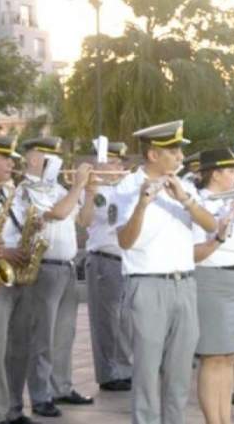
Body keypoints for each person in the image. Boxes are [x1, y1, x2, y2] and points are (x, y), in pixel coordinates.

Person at [115, 120, 216, 424]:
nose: (181, 158)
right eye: (174, 152)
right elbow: (125, 241)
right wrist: (142, 205)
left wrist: (183, 199)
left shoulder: (181, 186)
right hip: (148, 286)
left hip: (183, 284)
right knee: (146, 372)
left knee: (180, 371)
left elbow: (212, 226)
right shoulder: (126, 188)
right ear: (153, 155)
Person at [14, 137, 94, 418]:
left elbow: (83, 221)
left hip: (67, 265)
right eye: (50, 157)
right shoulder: (25, 190)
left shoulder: (59, 187)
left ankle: (61, 386)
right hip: (43, 268)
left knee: (64, 334)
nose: (56, 162)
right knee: (42, 336)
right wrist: (78, 186)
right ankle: (40, 394)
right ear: (35, 159)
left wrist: (90, 192)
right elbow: (58, 213)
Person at [192, 147, 234, 424]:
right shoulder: (201, 204)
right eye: (231, 171)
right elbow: (197, 248)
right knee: (213, 357)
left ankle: (225, 418)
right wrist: (219, 232)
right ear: (216, 173)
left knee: (231, 355)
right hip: (212, 279)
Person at [0, 136, 39, 424]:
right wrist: (8, 252)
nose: (11, 164)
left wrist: (32, 227)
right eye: (5, 159)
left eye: (12, 159)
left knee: (19, 347)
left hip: (20, 276)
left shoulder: (14, 191)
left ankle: (14, 407)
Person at [78, 141, 133, 392]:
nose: (117, 166)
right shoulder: (92, 188)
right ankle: (109, 373)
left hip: (127, 260)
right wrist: (90, 190)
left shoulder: (126, 188)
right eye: (112, 162)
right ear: (99, 163)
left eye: (119, 163)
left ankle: (125, 367)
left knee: (125, 320)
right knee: (106, 320)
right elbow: (87, 220)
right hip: (104, 258)